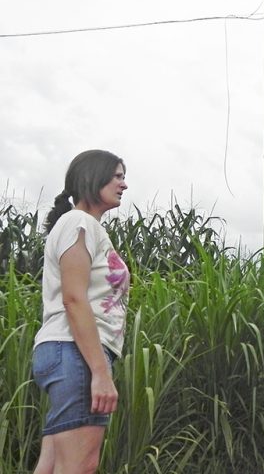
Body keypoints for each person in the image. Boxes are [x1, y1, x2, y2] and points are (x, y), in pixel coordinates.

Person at [32, 150, 130, 474]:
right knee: (80, 466)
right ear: (93, 176)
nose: (124, 184)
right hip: (76, 352)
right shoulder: (79, 222)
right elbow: (74, 299)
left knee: (52, 466)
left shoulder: (82, 225)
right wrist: (100, 373)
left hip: (67, 353)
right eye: (117, 176)